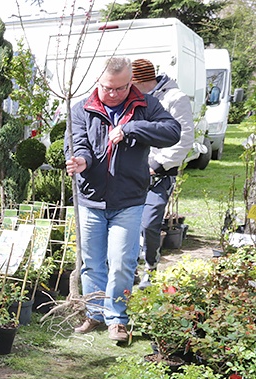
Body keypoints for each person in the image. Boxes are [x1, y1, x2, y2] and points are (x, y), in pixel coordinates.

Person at [65, 56, 181, 343]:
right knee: (92, 262)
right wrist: (80, 160)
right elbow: (79, 143)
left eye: (120, 88)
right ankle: (95, 313)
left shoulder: (146, 105)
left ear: (130, 83)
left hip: (129, 199)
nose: (113, 94)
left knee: (121, 262)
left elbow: (172, 132)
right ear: (98, 82)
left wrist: (130, 129)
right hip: (91, 199)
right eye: (107, 88)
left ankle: (118, 318)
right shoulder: (82, 109)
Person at [130, 58, 195, 289]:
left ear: (138, 81)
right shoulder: (132, 99)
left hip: (160, 174)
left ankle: (150, 268)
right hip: (131, 172)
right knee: (128, 223)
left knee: (149, 223)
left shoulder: (175, 99)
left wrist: (157, 164)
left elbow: (185, 138)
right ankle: (130, 270)